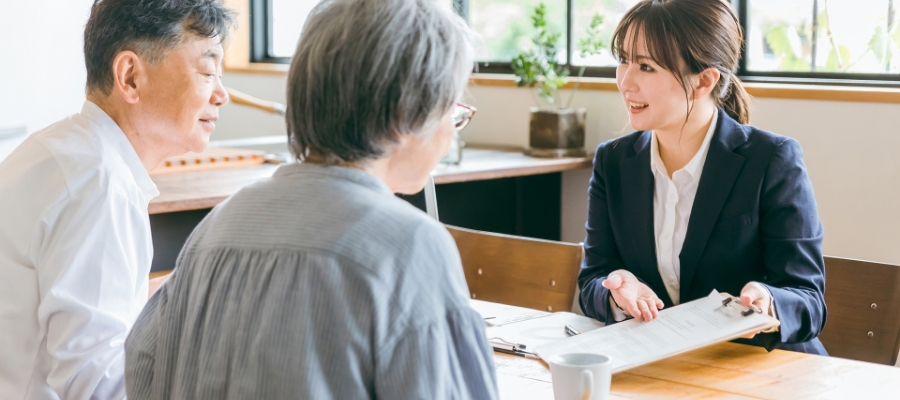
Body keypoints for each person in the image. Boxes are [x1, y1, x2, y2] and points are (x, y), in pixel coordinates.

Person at [124, 0, 498, 398]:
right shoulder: (410, 247)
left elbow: (142, 369)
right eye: (452, 111)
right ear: (407, 113)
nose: (451, 132)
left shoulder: (217, 227)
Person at [0, 1, 233, 398]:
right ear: (130, 77)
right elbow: (97, 386)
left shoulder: (60, 151)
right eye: (208, 72)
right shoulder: (100, 185)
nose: (222, 95)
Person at [578, 0, 827, 355]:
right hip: (664, 368)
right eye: (624, 60)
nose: (625, 81)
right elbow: (593, 277)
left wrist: (768, 301)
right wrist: (618, 292)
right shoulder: (614, 161)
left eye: (646, 67)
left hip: (764, 369)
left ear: (704, 81)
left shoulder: (771, 160)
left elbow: (808, 299)